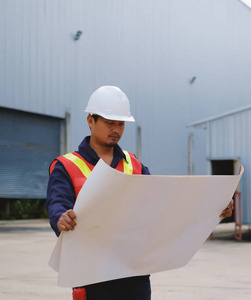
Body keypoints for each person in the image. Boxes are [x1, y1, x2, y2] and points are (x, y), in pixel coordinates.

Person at [45, 86, 234, 300]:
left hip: (133, 271)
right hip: (91, 274)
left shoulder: (132, 163)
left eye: (120, 123)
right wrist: (61, 217)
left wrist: (214, 207)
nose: (116, 129)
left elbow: (164, 202)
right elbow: (57, 204)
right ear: (91, 121)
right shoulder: (66, 165)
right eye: (109, 122)